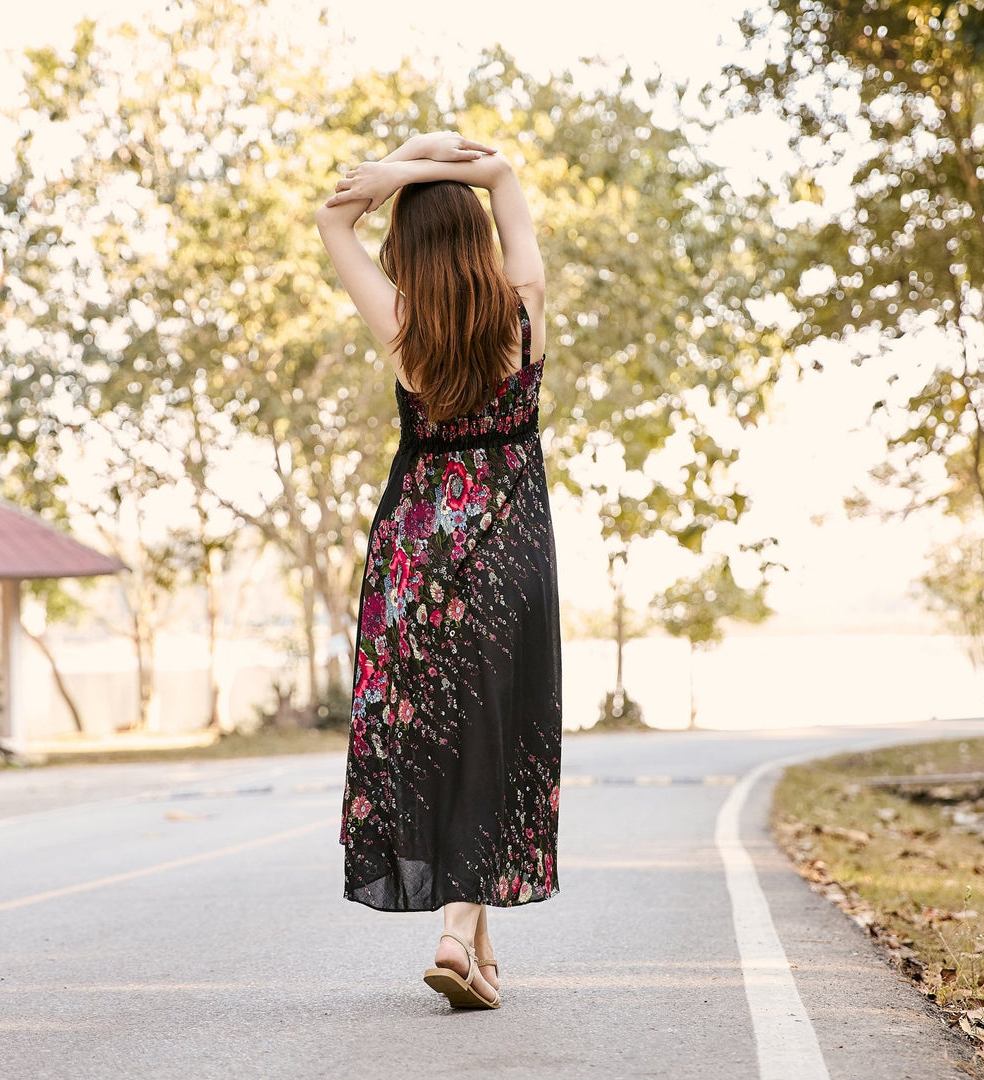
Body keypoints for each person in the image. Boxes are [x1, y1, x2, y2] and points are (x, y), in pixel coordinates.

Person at [315, 132, 562, 1010]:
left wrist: (395, 164)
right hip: (507, 550)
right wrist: (427, 164)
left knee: (445, 737)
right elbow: (500, 170)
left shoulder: (403, 323)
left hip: (417, 554)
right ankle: (459, 930)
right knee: (492, 732)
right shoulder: (525, 307)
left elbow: (330, 215)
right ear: (480, 239)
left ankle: (479, 956)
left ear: (406, 251)